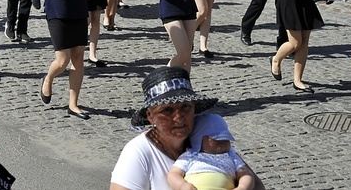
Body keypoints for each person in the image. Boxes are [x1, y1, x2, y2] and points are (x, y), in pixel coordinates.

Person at [110, 66, 264, 190]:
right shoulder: (138, 152)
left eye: (185, 107)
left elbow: (257, 186)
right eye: (167, 110)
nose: (178, 117)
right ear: (150, 116)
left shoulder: (208, 135)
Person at [167, 114, 255, 190]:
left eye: (226, 138)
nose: (222, 142)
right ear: (198, 139)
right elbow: (174, 174)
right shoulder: (190, 155)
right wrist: (182, 185)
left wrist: (242, 187)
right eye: (216, 139)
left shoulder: (231, 156)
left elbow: (246, 174)